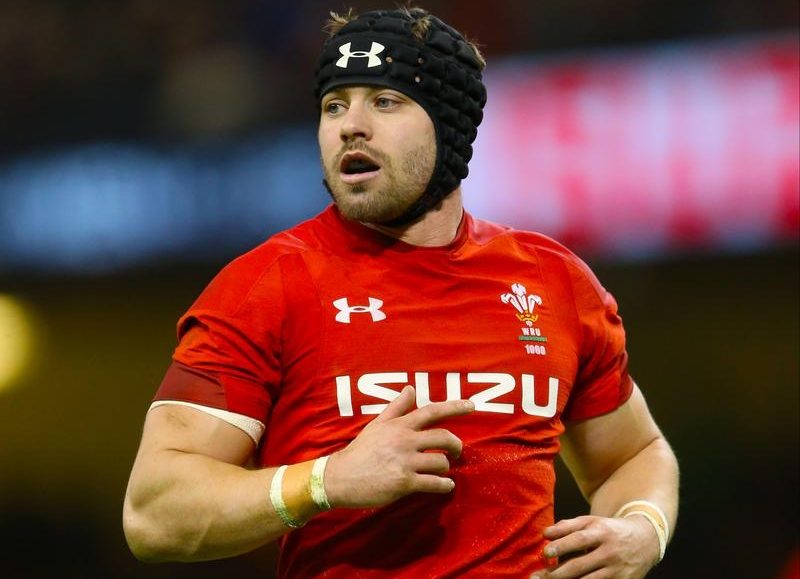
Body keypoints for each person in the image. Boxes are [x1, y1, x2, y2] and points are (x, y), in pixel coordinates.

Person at [123, 6, 679, 578]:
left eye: (385, 102)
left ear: (450, 126)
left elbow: (633, 455)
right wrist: (324, 482)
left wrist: (644, 528)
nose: (350, 125)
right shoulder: (267, 285)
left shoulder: (553, 279)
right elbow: (154, 514)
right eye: (334, 105)